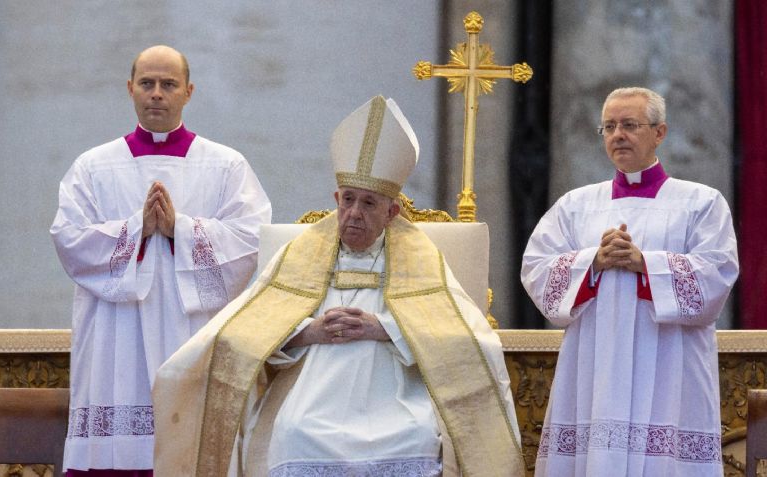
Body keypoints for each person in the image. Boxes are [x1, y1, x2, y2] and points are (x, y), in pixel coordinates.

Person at [152, 96, 525, 476]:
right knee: (293, 432)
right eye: (348, 200)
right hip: (312, 392)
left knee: (416, 434)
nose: (354, 214)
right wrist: (310, 330)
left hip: (395, 394)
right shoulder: (303, 253)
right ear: (336, 199)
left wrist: (381, 328)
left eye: (368, 203)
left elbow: (464, 335)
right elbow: (248, 329)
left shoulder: (419, 258)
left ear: (392, 212)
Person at [50, 45, 271, 476]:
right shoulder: (93, 166)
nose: (156, 93)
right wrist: (136, 230)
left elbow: (250, 239)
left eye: (168, 84)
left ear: (188, 92)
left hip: (191, 331)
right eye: (147, 83)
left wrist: (179, 230)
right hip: (116, 332)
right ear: (130, 89)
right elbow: (68, 237)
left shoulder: (226, 165)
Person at [521, 87, 738, 476]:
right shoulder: (576, 205)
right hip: (593, 366)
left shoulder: (701, 203)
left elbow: (717, 272)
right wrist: (593, 262)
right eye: (608, 126)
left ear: (660, 133)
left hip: (671, 365)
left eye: (630, 125)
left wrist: (645, 264)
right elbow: (536, 268)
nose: (617, 134)